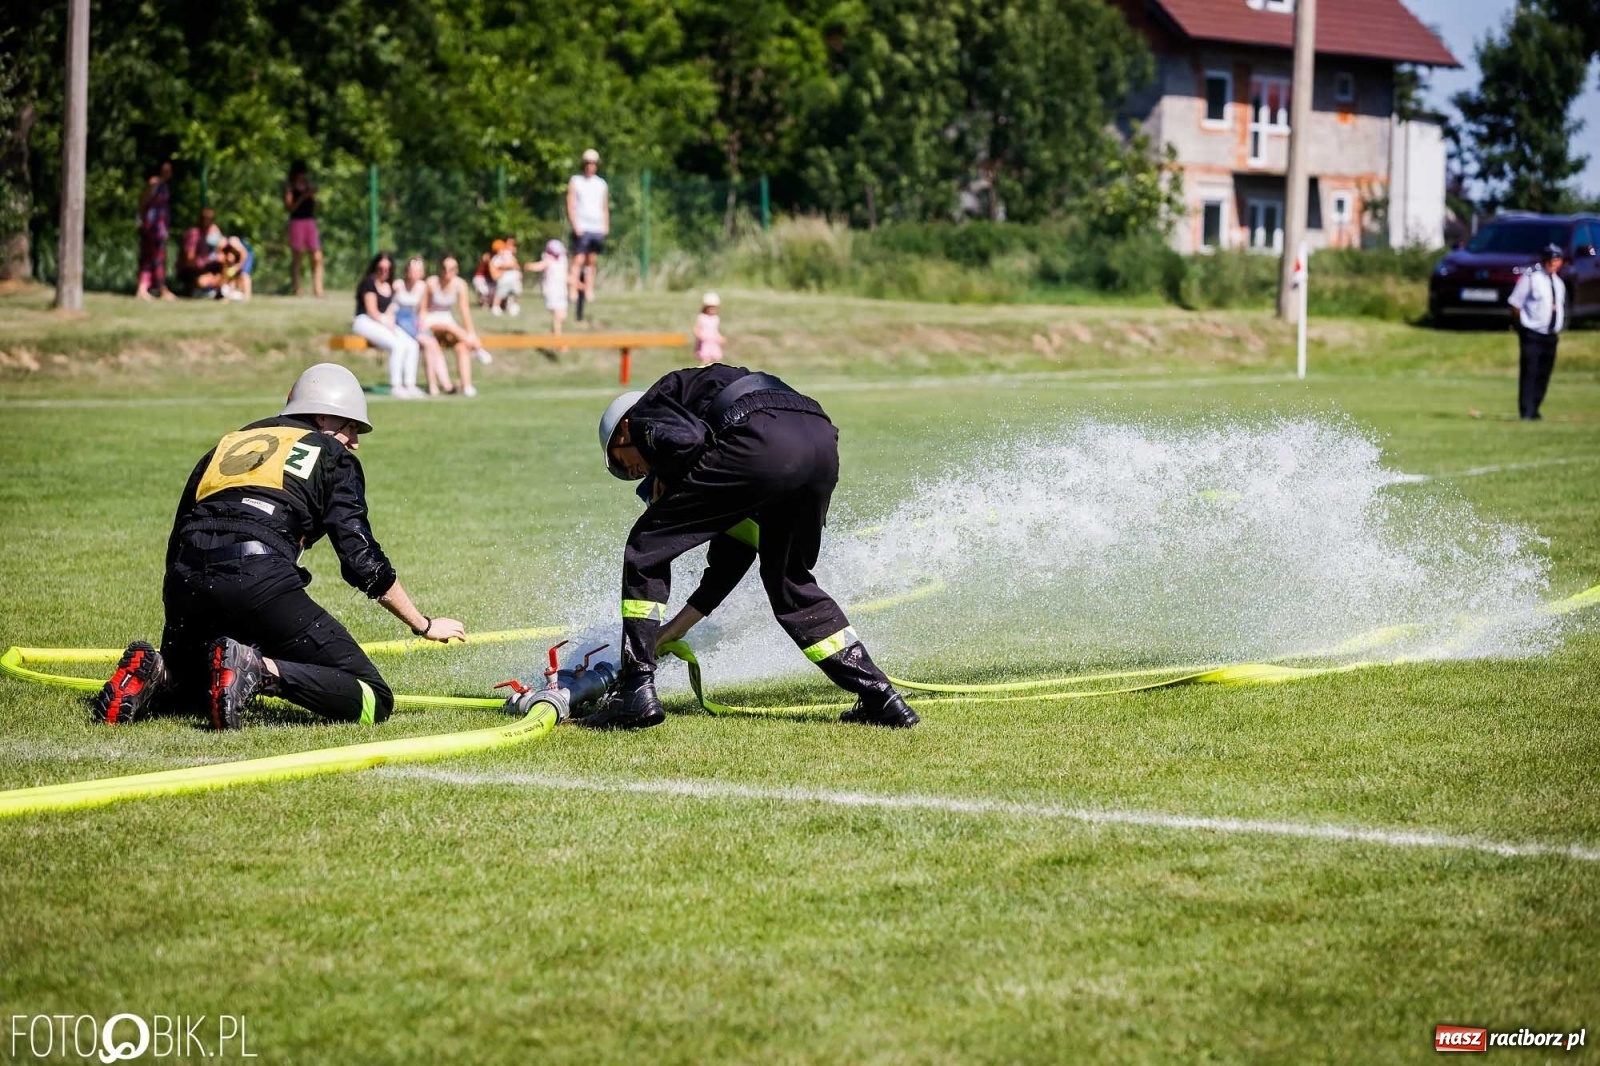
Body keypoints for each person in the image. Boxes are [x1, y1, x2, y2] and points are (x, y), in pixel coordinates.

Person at [89, 363, 467, 730]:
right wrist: (423, 624)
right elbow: (360, 559)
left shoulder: (228, 443)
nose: (354, 442)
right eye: (351, 427)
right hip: (256, 577)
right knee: (373, 699)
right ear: (323, 418)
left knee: (202, 685)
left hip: (185, 578)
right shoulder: (330, 454)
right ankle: (261, 670)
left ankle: (159, 669)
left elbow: (182, 528)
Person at [588, 366, 920, 730]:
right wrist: (675, 629)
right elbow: (733, 556)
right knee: (790, 584)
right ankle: (881, 698)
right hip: (818, 442)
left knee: (645, 547)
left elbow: (688, 441)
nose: (636, 474)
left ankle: (635, 687)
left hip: (759, 438)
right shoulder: (691, 409)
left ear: (622, 432)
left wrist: (670, 480)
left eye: (625, 466)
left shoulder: (645, 414)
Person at [1508, 242, 1567, 421]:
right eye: (1549, 260)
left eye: (1555, 260)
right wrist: (1520, 327)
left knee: (1544, 374)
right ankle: (1526, 410)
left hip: (1550, 335)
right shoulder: (1531, 277)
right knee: (1530, 372)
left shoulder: (1559, 283)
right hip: (1532, 332)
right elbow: (1515, 304)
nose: (1552, 263)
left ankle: (1535, 408)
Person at [352, 251, 422, 399]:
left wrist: (390, 321)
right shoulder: (369, 283)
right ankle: (395, 385)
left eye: (388, 269)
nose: (384, 272)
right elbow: (372, 311)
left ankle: (410, 384)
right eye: (381, 268)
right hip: (365, 320)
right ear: (375, 267)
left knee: (412, 345)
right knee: (396, 345)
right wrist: (386, 323)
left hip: (385, 321)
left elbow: (390, 308)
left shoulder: (390, 285)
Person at [424, 255, 490, 397]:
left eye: (451, 268)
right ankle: (477, 348)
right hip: (430, 319)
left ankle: (467, 385)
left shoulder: (460, 284)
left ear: (456, 270)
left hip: (446, 318)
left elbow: (464, 311)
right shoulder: (431, 282)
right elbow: (423, 309)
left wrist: (471, 332)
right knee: (450, 327)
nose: (447, 271)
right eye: (445, 268)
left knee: (462, 346)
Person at [394, 256, 447, 394]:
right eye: (412, 270)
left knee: (433, 343)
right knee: (427, 343)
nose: (414, 273)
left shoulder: (422, 287)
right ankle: (431, 385)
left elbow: (422, 309)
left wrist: (421, 322)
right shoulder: (398, 285)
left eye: (418, 270)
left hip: (412, 320)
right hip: (399, 320)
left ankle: (445, 384)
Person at [567, 149, 610, 310]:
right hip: (582, 226)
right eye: (588, 163)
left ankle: (589, 289)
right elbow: (571, 204)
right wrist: (575, 224)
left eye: (593, 164)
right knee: (578, 259)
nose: (590, 167)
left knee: (591, 260)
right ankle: (573, 290)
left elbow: (604, 206)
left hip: (596, 226)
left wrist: (605, 225)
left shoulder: (601, 184)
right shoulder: (576, 181)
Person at [135, 161, 176, 301]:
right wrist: (141, 219)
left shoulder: (165, 186)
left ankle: (143, 288)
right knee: (156, 258)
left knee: (151, 257)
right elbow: (143, 201)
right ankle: (160, 288)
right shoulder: (154, 183)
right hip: (152, 226)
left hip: (160, 227)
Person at [284, 160, 324, 297]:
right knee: (297, 256)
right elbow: (290, 208)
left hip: (310, 221)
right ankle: (297, 288)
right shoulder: (290, 188)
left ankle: (318, 289)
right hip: (297, 222)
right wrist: (302, 197)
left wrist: (312, 196)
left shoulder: (308, 186)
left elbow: (317, 207)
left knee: (317, 256)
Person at [178, 208, 225, 297]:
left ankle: (217, 290)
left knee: (223, 263)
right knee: (203, 281)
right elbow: (189, 259)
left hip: (205, 267)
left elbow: (221, 248)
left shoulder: (210, 234)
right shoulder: (194, 234)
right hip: (191, 270)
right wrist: (204, 271)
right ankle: (198, 289)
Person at [525, 239, 569, 334]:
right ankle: (559, 343)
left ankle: (554, 338)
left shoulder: (562, 261)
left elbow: (565, 276)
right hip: (552, 291)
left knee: (563, 316)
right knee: (558, 316)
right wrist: (529, 266)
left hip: (562, 291)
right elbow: (539, 266)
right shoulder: (548, 260)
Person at [490, 237, 524, 316]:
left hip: (513, 279)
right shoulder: (495, 259)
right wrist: (507, 267)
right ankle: (495, 308)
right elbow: (497, 269)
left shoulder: (508, 254)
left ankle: (515, 307)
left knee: (517, 292)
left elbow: (514, 264)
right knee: (500, 294)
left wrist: (505, 267)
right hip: (504, 280)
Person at [218, 235, 254, 300]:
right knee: (232, 277)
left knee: (244, 275)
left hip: (247, 254)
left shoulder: (232, 242)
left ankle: (247, 297)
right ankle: (229, 297)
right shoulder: (224, 248)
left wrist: (237, 266)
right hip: (238, 256)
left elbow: (244, 253)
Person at [694, 292, 723, 364]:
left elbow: (715, 330)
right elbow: (697, 328)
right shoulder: (702, 317)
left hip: (713, 342)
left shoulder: (716, 318)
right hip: (705, 342)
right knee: (705, 360)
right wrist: (698, 336)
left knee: (717, 360)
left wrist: (720, 337)